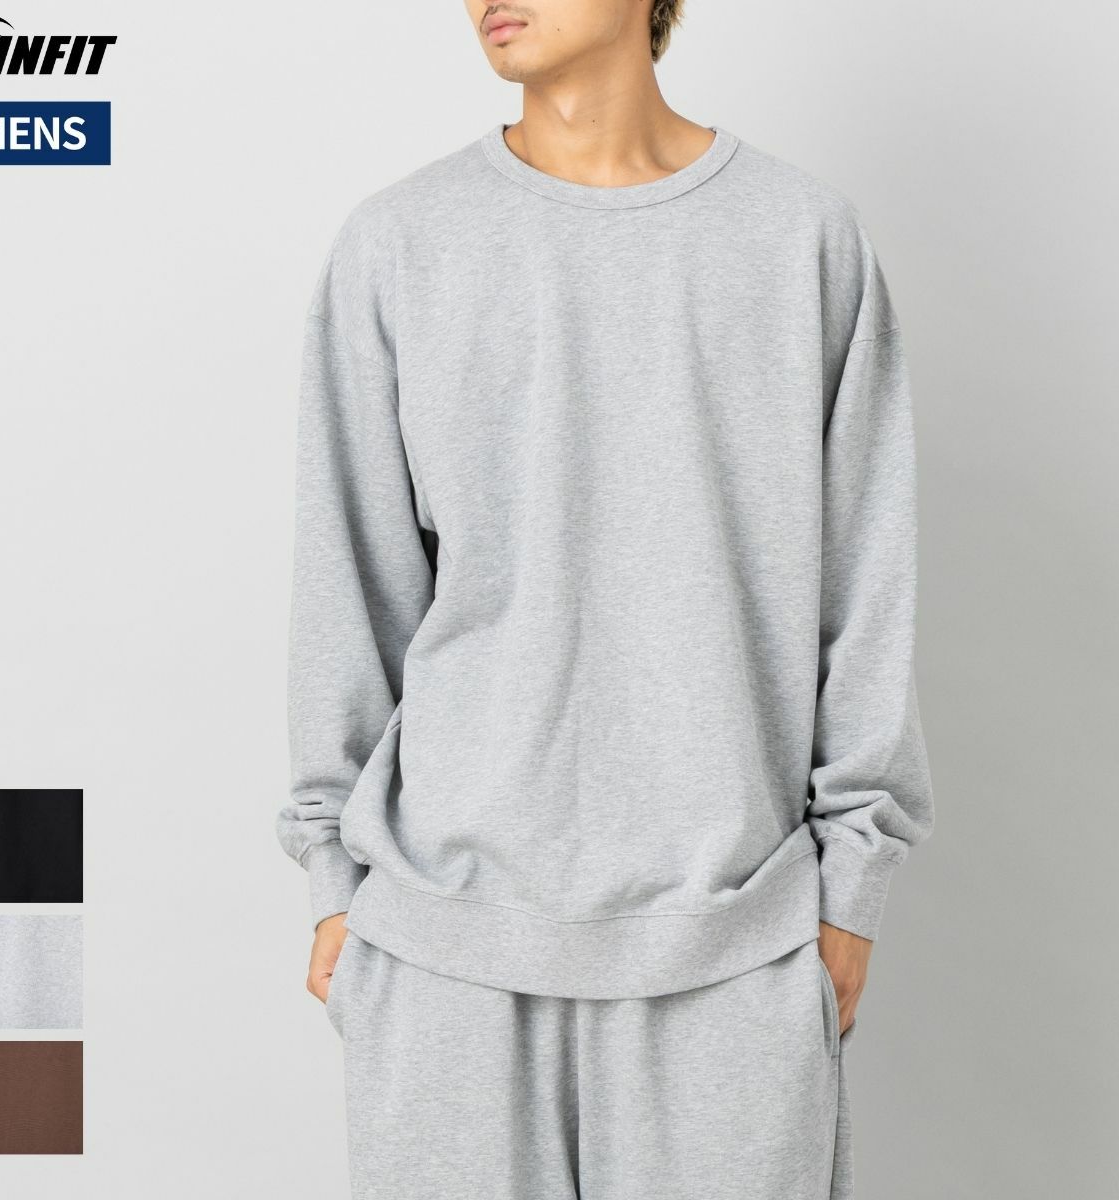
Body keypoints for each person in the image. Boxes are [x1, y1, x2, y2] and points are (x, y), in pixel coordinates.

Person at [277, 2, 935, 1196]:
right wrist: (335, 883)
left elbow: (866, 582)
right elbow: (352, 582)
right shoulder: (400, 243)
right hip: (444, 954)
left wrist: (851, 890)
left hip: (733, 953)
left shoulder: (800, 238)